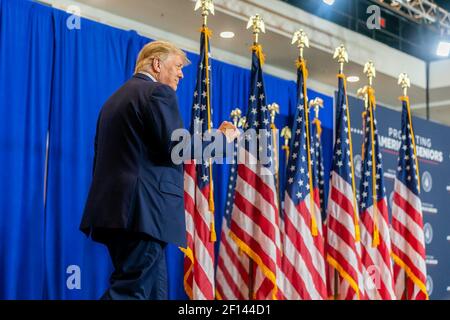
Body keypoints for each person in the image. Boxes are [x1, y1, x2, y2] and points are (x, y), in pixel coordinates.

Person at [80, 40, 237, 300]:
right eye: (176, 66)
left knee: (154, 293)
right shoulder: (156, 93)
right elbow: (176, 147)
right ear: (156, 64)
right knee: (132, 291)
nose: (181, 73)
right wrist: (222, 140)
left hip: (115, 213)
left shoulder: (111, 102)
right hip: (143, 213)